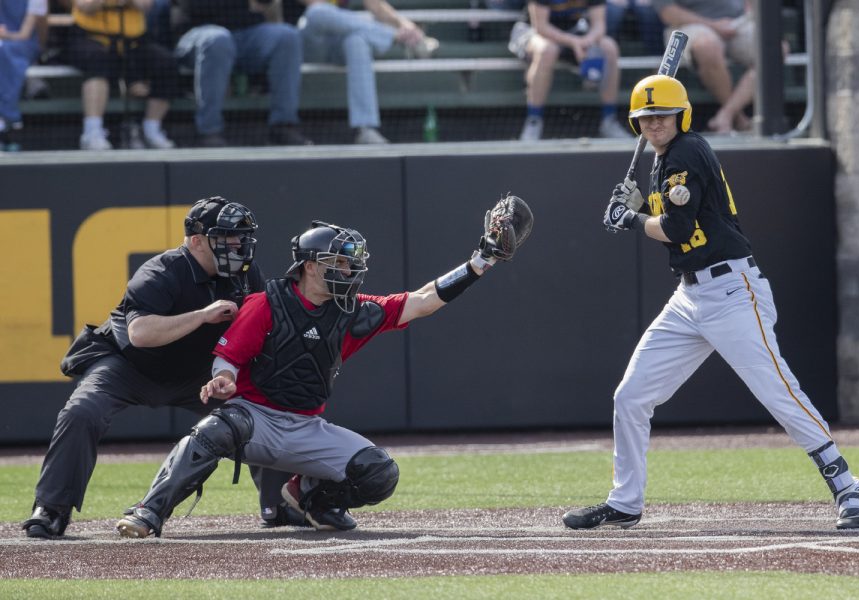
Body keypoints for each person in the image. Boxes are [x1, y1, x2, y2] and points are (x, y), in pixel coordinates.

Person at [115, 196, 533, 537]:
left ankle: (310, 498)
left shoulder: (353, 311)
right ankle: (149, 511)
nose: (350, 272)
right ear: (311, 267)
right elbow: (228, 359)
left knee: (380, 473)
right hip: (254, 420)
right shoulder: (266, 303)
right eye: (340, 263)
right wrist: (222, 381)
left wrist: (481, 261)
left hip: (306, 426)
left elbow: (422, 301)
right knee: (215, 427)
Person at [562, 75, 859, 531]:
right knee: (631, 397)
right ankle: (626, 501)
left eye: (662, 115)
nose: (654, 124)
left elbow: (678, 230)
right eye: (646, 117)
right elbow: (672, 220)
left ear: (681, 115)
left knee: (777, 392)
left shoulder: (684, 152)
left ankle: (847, 486)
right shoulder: (663, 159)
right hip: (689, 296)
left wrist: (629, 218)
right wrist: (640, 208)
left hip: (731, 292)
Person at [22, 197, 304, 539]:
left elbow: (264, 327)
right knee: (82, 411)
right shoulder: (162, 270)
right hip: (131, 366)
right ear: (197, 240)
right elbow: (140, 334)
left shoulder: (246, 276)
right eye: (228, 238)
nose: (238, 246)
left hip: (200, 373)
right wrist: (202, 315)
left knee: (261, 406)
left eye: (241, 237)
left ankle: (278, 503)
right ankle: (51, 507)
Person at [283, 0, 440, 145]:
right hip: (302, 42)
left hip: (338, 42)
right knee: (317, 12)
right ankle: (395, 37)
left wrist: (406, 26)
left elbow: (376, 5)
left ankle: (366, 129)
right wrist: (396, 33)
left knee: (357, 41)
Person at [175, 0, 312, 148]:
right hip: (199, 33)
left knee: (287, 37)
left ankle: (283, 125)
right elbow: (194, 6)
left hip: (246, 33)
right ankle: (208, 130)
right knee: (218, 40)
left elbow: (264, 3)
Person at [508, 0, 631, 141]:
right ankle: (533, 121)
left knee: (609, 47)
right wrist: (574, 42)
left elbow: (599, 25)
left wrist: (587, 41)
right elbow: (540, 27)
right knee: (547, 50)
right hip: (531, 32)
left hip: (573, 31)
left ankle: (609, 120)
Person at [66, 0, 179, 150]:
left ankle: (152, 130)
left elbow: (146, 6)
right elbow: (85, 6)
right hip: (90, 38)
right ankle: (92, 133)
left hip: (134, 41)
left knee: (166, 63)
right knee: (98, 59)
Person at [652, 0, 755, 133]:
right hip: (690, 25)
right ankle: (739, 119)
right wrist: (715, 26)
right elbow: (668, 13)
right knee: (707, 46)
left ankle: (726, 115)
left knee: (775, 49)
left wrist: (750, 10)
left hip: (738, 22)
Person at [0, 0, 48, 151]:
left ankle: (8, 117)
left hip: (23, 46)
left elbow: (24, 34)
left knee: (4, 52)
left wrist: (5, 35)